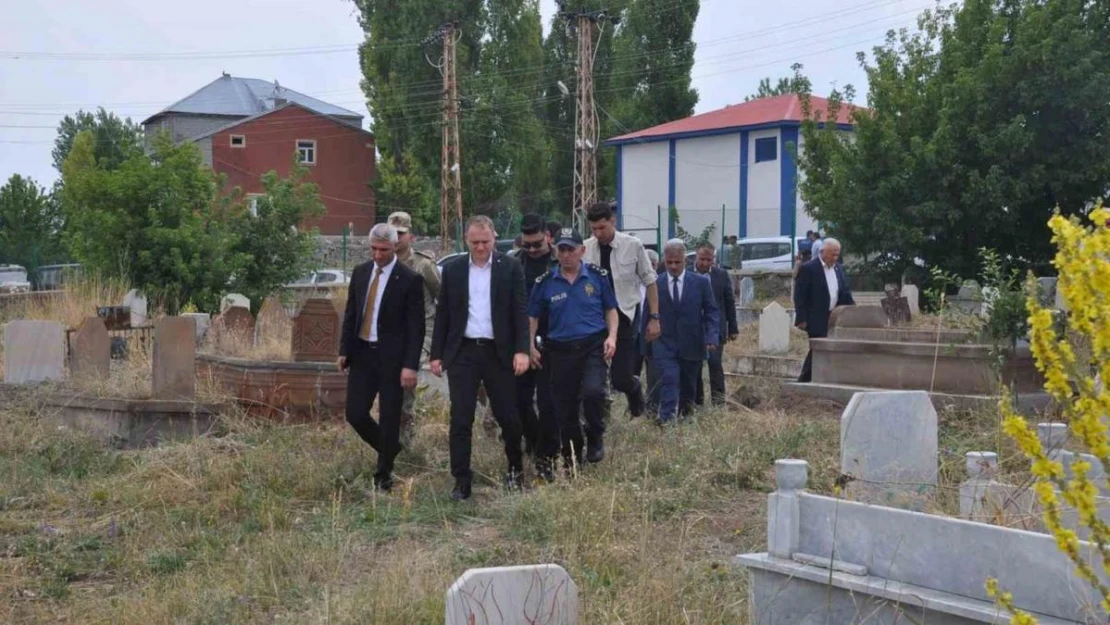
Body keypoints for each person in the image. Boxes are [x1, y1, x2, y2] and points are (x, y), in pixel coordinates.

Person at [430, 215, 530, 501]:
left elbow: (520, 312)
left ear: (494, 238)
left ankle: (514, 470)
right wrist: (437, 354)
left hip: (499, 352)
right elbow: (444, 314)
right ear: (466, 240)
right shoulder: (454, 269)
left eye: (485, 242)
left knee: (508, 417)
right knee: (460, 418)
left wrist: (522, 350)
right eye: (475, 242)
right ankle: (461, 481)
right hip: (464, 352)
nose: (481, 247)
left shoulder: (510, 268)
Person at [338, 224, 425, 492]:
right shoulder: (361, 273)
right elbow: (352, 313)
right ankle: (391, 448)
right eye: (373, 249)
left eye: (383, 250)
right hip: (363, 353)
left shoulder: (409, 279)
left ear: (395, 247)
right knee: (355, 413)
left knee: (389, 416)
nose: (377, 254)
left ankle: (383, 474)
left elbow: (416, 327)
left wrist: (410, 365)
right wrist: (344, 350)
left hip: (393, 358)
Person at [528, 227, 618, 475]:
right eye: (561, 249)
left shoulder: (598, 277)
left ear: (582, 250)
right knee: (565, 410)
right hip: (560, 351)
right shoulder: (545, 282)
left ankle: (596, 433)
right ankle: (573, 455)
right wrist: (529, 346)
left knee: (593, 392)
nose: (565, 255)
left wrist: (612, 337)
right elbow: (532, 317)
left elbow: (611, 310)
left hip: (592, 345)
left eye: (570, 249)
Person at [584, 202, 659, 450]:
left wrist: (654, 317)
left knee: (620, 378)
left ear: (612, 221)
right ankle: (599, 418)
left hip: (626, 314)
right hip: (595, 318)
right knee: (594, 374)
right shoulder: (585, 249)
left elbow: (650, 282)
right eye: (594, 228)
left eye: (602, 227)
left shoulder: (633, 245)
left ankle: (634, 387)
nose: (598, 233)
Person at [649, 239, 719, 423]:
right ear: (664, 259)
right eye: (669, 262)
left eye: (677, 262)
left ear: (685, 260)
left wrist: (711, 336)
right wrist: (644, 345)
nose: (673, 266)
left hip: (692, 342)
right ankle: (665, 419)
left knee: (689, 386)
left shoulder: (701, 283)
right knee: (669, 379)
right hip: (665, 343)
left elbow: (711, 311)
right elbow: (648, 314)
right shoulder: (656, 284)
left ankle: (686, 418)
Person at [387, 211, 441, 443]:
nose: (396, 238)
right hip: (392, 333)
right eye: (392, 234)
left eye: (401, 234)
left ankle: (406, 438)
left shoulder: (423, 265)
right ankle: (395, 434)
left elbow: (442, 298)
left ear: (411, 237)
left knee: (405, 376)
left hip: (422, 331)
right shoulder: (382, 263)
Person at [508, 213, 559, 457]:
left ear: (548, 237)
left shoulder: (563, 259)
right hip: (521, 339)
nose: (532, 249)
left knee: (550, 402)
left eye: (537, 244)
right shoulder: (514, 262)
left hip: (556, 338)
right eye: (526, 245)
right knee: (519, 401)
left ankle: (549, 451)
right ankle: (535, 440)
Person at [793, 237, 854, 383]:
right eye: (832, 254)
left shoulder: (838, 269)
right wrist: (801, 318)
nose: (835, 257)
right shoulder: (809, 268)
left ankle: (820, 379)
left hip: (834, 316)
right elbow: (799, 296)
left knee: (828, 348)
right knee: (818, 349)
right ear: (822, 252)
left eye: (837, 254)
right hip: (815, 317)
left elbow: (845, 293)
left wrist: (854, 312)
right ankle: (804, 380)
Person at [693, 242, 738, 406]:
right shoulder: (688, 274)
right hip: (694, 328)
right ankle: (696, 402)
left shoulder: (721, 275)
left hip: (715, 327)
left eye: (709, 259)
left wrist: (733, 328)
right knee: (695, 366)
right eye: (702, 259)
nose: (705, 263)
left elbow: (729, 301)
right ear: (696, 256)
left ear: (714, 259)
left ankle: (718, 402)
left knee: (714, 363)